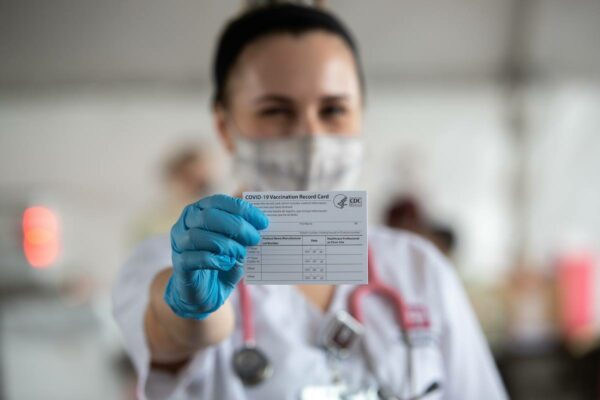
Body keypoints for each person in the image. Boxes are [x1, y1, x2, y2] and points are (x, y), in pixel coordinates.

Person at [112, 3, 507, 399]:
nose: (311, 136)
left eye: (333, 109)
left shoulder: (419, 270)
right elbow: (177, 333)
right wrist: (189, 307)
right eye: (276, 111)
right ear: (224, 126)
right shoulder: (164, 263)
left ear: (362, 117)